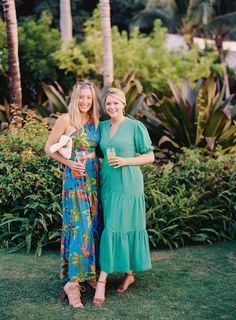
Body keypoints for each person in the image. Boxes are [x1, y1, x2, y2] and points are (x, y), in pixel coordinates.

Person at [93, 88, 155, 306]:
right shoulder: (101, 127)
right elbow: (95, 153)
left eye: (115, 103)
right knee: (114, 224)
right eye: (108, 104)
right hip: (108, 184)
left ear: (124, 104)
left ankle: (102, 280)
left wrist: (126, 160)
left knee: (115, 227)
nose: (112, 107)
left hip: (129, 183)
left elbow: (150, 156)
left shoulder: (135, 126)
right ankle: (129, 273)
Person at [45, 81, 103, 308]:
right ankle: (72, 284)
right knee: (81, 226)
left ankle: (87, 273)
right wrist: (69, 162)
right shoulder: (65, 120)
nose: (85, 101)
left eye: (89, 97)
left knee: (94, 225)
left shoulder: (95, 122)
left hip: (93, 177)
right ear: (74, 97)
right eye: (81, 97)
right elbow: (49, 148)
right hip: (75, 179)